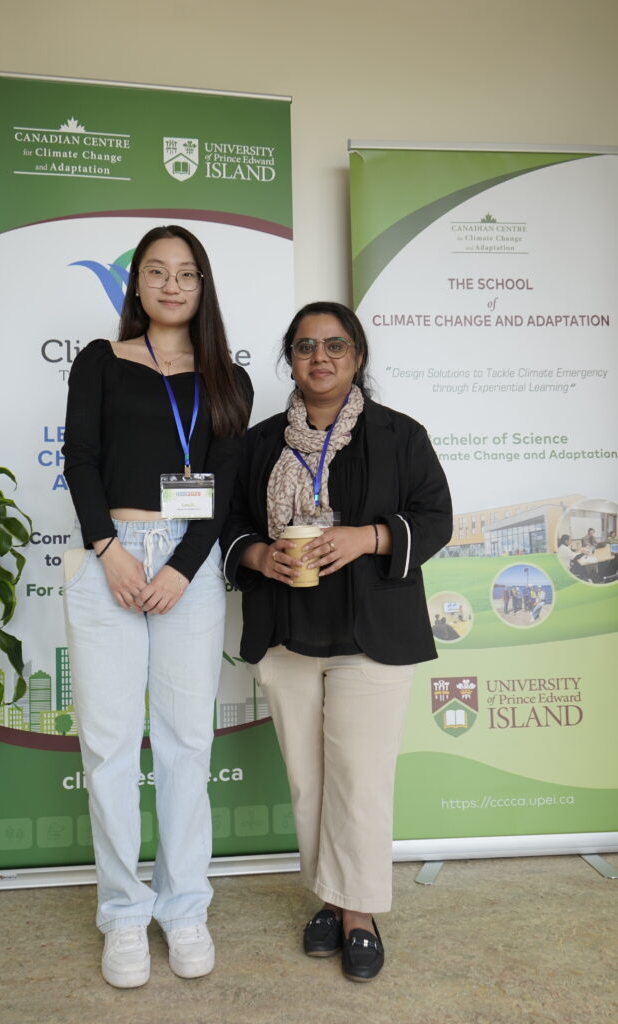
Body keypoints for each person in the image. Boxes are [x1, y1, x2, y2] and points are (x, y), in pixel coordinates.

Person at [221, 301, 452, 982]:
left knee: (360, 779)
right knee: (307, 780)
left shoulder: (399, 434)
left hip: (371, 634)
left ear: (357, 356)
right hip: (286, 631)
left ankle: (357, 914)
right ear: (289, 360)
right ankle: (328, 896)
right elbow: (230, 523)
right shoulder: (259, 443)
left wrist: (367, 537)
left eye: (334, 345)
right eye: (304, 346)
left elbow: (435, 518)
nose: (318, 358)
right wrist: (259, 556)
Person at [62, 225, 252, 987]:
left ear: (202, 287)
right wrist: (109, 551)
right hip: (108, 554)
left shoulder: (226, 380)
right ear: (136, 284)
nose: (172, 285)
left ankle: (183, 908)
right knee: (109, 745)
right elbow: (80, 460)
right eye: (156, 271)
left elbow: (222, 487)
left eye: (186, 273)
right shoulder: (100, 361)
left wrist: (179, 568)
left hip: (188, 567)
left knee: (183, 744)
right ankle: (122, 913)